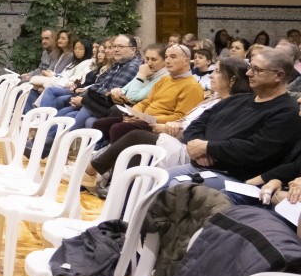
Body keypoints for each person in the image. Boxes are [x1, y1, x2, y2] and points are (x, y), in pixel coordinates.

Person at [81, 57, 252, 189]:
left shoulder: (227, 103)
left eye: (218, 72)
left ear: (232, 80)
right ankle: (119, 186)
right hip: (176, 132)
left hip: (188, 145)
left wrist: (168, 125)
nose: (212, 75)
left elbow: (198, 127)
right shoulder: (211, 97)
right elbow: (183, 118)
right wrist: (143, 114)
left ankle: (93, 171)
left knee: (132, 134)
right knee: (113, 123)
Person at [167, 48, 301, 184]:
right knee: (152, 179)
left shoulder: (286, 111)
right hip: (199, 166)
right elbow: (196, 125)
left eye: (257, 70)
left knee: (175, 187)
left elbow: (256, 150)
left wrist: (208, 148)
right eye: (250, 68)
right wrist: (200, 147)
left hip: (234, 177)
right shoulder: (237, 100)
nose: (249, 73)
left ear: (279, 76)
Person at [90, 43, 204, 144]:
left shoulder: (192, 86)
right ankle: (106, 150)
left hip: (159, 125)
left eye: (173, 57)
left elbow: (180, 118)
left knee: (118, 128)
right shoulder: (165, 79)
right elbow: (146, 102)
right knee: (100, 124)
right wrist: (134, 114)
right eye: (166, 57)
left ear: (187, 61)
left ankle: (116, 161)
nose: (168, 61)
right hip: (144, 119)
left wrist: (146, 118)